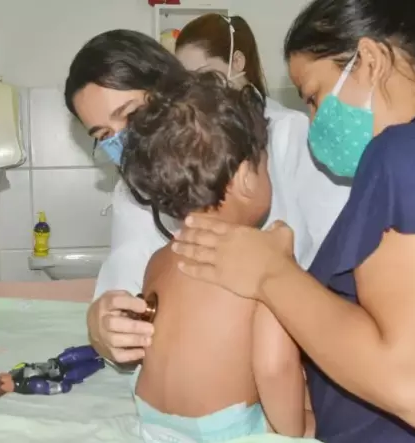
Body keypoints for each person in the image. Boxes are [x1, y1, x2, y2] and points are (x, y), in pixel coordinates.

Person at [170, 0, 415, 441]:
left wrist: (270, 273)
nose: (315, 122)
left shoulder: (411, 155)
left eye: (314, 97)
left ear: (371, 61)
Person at [64, 28, 349, 364]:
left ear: (171, 90)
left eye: (131, 115)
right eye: (104, 135)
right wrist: (103, 327)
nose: (124, 140)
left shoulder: (283, 137)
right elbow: (124, 289)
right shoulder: (133, 193)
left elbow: (345, 268)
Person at [120, 71, 305, 441]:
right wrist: (293, 434)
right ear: (246, 177)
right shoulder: (261, 259)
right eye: (265, 165)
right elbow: (275, 367)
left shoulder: (160, 259)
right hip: (225, 430)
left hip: (153, 420)